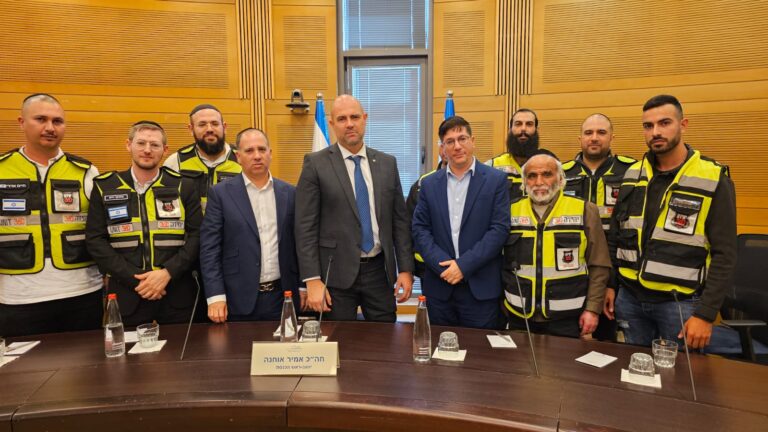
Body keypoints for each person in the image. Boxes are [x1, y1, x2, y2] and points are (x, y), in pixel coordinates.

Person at [610, 94, 736, 349]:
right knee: (632, 369)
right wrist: (611, 286)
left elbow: (725, 253)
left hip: (679, 304)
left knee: (679, 373)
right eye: (648, 126)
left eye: (664, 123)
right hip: (629, 300)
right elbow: (616, 235)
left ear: (683, 124)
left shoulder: (713, 177)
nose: (655, 132)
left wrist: (705, 314)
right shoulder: (632, 174)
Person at [295, 94, 414, 322]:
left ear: (365, 119)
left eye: (355, 117)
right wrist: (312, 279)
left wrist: (406, 270)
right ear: (332, 124)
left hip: (380, 271)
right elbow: (305, 227)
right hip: (334, 274)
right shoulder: (315, 164)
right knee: (339, 339)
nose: (349, 124)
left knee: (384, 337)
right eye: (342, 119)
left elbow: (399, 222)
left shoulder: (387, 164)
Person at [0, 94, 103, 337]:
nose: (50, 127)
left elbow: (101, 231)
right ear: (22, 122)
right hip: (18, 297)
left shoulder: (86, 171)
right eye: (41, 119)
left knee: (86, 360)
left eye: (57, 121)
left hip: (82, 293)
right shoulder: (3, 169)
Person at [86, 121, 202, 326]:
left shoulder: (183, 185)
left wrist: (167, 273)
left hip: (177, 292)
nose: (147, 150)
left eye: (155, 145)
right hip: (128, 293)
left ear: (165, 150)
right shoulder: (105, 187)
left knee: (184, 347)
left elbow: (198, 235)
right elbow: (96, 240)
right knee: (129, 348)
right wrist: (138, 279)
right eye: (141, 143)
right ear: (128, 145)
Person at [412, 116, 509, 328]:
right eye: (450, 141)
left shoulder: (496, 181)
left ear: (472, 141)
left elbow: (499, 230)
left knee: (478, 348)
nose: (457, 146)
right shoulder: (428, 184)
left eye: (462, 139)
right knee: (439, 346)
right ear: (443, 148)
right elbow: (420, 229)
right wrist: (445, 267)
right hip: (440, 287)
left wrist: (463, 266)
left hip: (480, 289)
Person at [503, 153, 610, 338]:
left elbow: (599, 264)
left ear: (560, 179)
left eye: (547, 174)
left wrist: (592, 309)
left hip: (567, 319)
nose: (539, 182)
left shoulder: (585, 210)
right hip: (518, 316)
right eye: (532, 176)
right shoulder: (509, 211)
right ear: (524, 181)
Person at [200, 128, 300, 322]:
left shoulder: (290, 192)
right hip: (237, 299)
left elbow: (299, 243)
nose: (257, 156)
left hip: (283, 297)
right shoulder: (220, 194)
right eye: (249, 150)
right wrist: (215, 296)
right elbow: (209, 249)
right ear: (238, 156)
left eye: (262, 149)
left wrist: (303, 286)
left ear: (270, 153)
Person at [562, 113, 636, 340]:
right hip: (570, 271)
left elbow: (630, 231)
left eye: (601, 132)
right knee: (568, 339)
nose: (594, 138)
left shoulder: (630, 172)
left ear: (612, 136)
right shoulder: (562, 173)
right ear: (580, 138)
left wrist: (611, 283)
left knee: (605, 342)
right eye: (588, 133)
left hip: (615, 272)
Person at [163, 104, 241, 212]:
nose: (209, 129)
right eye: (202, 124)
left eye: (215, 123)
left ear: (224, 127)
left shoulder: (242, 159)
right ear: (191, 129)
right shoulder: (175, 162)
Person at [406, 140, 446, 279]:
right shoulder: (422, 184)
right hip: (427, 267)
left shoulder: (478, 181)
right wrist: (407, 269)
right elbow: (408, 227)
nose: (447, 149)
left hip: (464, 267)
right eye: (443, 144)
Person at [486, 108, 541, 200]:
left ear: (537, 129)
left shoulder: (549, 166)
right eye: (518, 124)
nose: (523, 129)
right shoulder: (491, 167)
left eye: (529, 124)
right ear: (510, 130)